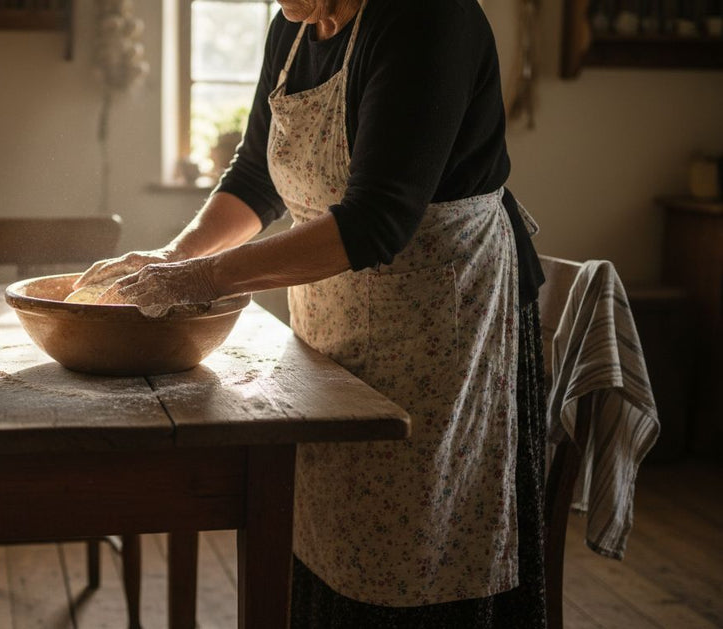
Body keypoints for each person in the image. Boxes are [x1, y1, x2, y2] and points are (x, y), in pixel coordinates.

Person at [76, 0, 547, 625]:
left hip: (445, 321)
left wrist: (200, 278)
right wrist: (175, 254)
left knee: (422, 542)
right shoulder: (294, 29)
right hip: (340, 317)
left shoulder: (428, 18)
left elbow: (379, 220)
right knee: (335, 519)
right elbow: (256, 178)